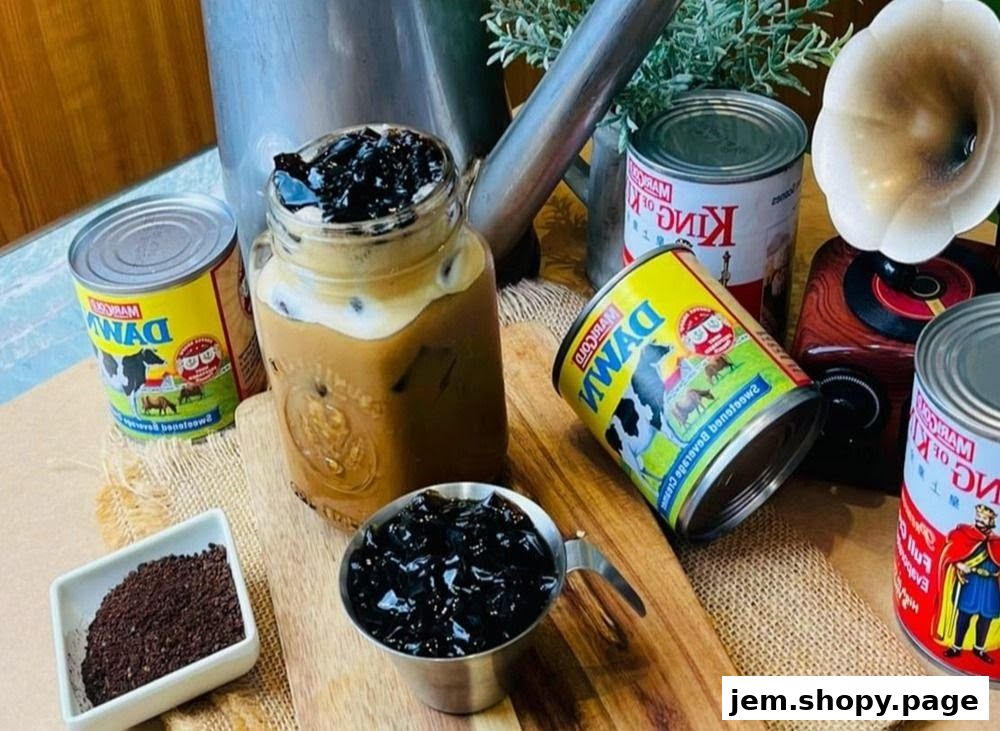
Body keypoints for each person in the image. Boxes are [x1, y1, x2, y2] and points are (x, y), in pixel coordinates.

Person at [935, 504, 1000, 663]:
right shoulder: (965, 534)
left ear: (991, 521)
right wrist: (959, 565)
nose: (980, 520)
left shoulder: (996, 541)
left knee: (986, 619)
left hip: (990, 585)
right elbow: (952, 554)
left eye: (984, 518)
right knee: (964, 616)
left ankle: (979, 649)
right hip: (971, 583)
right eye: (978, 517)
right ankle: (956, 647)